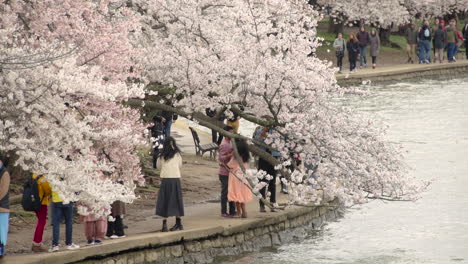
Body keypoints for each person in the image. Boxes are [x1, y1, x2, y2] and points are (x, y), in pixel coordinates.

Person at [155, 136, 184, 232]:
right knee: (176, 200)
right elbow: (180, 165)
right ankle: (178, 222)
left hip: (166, 180)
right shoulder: (177, 154)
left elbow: (158, 166)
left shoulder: (161, 155)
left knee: (165, 200)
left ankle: (164, 225)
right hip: (175, 179)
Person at [254, 126, 281, 213]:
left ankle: (272, 203)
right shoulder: (259, 130)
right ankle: (262, 204)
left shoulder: (277, 131)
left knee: (272, 182)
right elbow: (256, 142)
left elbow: (281, 144)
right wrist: (263, 133)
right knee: (262, 182)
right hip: (263, 157)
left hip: (274, 157)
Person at [227, 139, 253, 218]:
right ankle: (244, 212)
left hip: (236, 177)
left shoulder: (236, 157)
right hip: (244, 177)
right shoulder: (245, 157)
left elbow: (230, 165)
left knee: (237, 195)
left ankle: (238, 212)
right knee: (242, 195)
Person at [218, 125, 237, 217]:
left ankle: (233, 210)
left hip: (231, 171)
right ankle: (224, 211)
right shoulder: (224, 144)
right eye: (230, 132)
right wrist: (230, 155)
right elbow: (220, 158)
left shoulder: (231, 142)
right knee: (225, 192)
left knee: (231, 191)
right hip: (224, 172)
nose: (232, 134)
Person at [31, 173, 52, 252]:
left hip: (34, 202)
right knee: (42, 222)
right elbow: (48, 191)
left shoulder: (33, 176)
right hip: (42, 202)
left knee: (40, 221)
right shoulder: (43, 179)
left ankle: (36, 243)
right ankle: (37, 243)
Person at [0, 155, 10, 258]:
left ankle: (1, 249)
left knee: (2, 230)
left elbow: (3, 190)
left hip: (2, 206)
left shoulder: (4, 173)